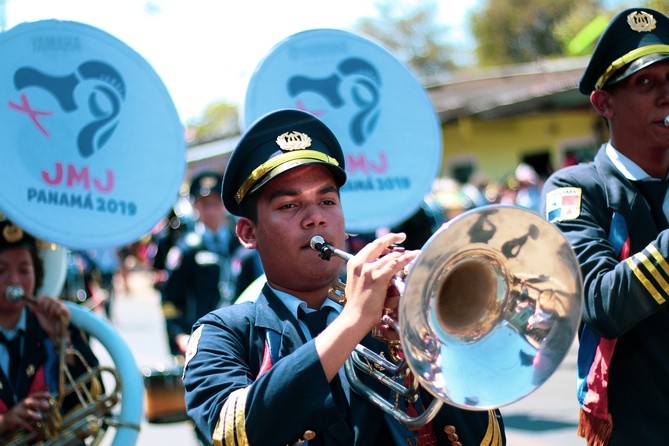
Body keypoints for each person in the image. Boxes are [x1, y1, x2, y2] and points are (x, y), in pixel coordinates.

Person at [182, 109, 505, 445]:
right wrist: (352, 321)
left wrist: (425, 345)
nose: (316, 218)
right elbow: (231, 433)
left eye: (327, 200)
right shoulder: (224, 333)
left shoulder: (390, 323)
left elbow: (488, 440)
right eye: (289, 206)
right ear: (249, 233)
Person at [541, 8, 669, 445]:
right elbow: (599, 305)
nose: (667, 95)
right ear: (604, 103)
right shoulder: (576, 188)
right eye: (646, 83)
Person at [0, 217, 101, 440]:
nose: (14, 280)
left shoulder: (57, 324)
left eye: (25, 270)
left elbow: (95, 401)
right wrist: (4, 422)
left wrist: (61, 340)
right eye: (1, 270)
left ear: (37, 276)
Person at [161, 170, 241, 359]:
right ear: (195, 205)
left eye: (216, 203)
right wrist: (179, 335)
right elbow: (170, 300)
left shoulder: (241, 245)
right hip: (202, 338)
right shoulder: (186, 249)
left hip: (240, 335)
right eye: (205, 204)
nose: (211, 211)